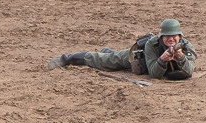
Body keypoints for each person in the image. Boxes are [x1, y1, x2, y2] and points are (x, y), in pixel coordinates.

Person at [48, 18, 197, 80]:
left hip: (157, 61)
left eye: (174, 37)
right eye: (167, 36)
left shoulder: (186, 46)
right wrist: (162, 60)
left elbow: (189, 71)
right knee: (106, 61)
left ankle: (110, 51)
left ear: (180, 36)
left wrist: (181, 57)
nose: (171, 39)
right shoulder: (153, 44)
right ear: (161, 36)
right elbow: (154, 74)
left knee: (113, 57)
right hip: (140, 58)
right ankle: (67, 59)